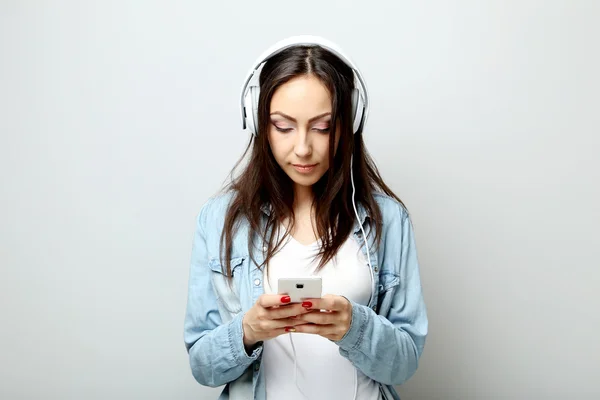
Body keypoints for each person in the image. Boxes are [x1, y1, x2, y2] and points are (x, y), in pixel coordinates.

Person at [183, 35, 428, 400]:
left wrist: (354, 327)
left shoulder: (387, 220)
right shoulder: (219, 220)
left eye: (323, 127)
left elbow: (404, 365)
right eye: (283, 126)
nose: (302, 148)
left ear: (351, 121)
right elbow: (203, 367)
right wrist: (248, 330)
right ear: (258, 123)